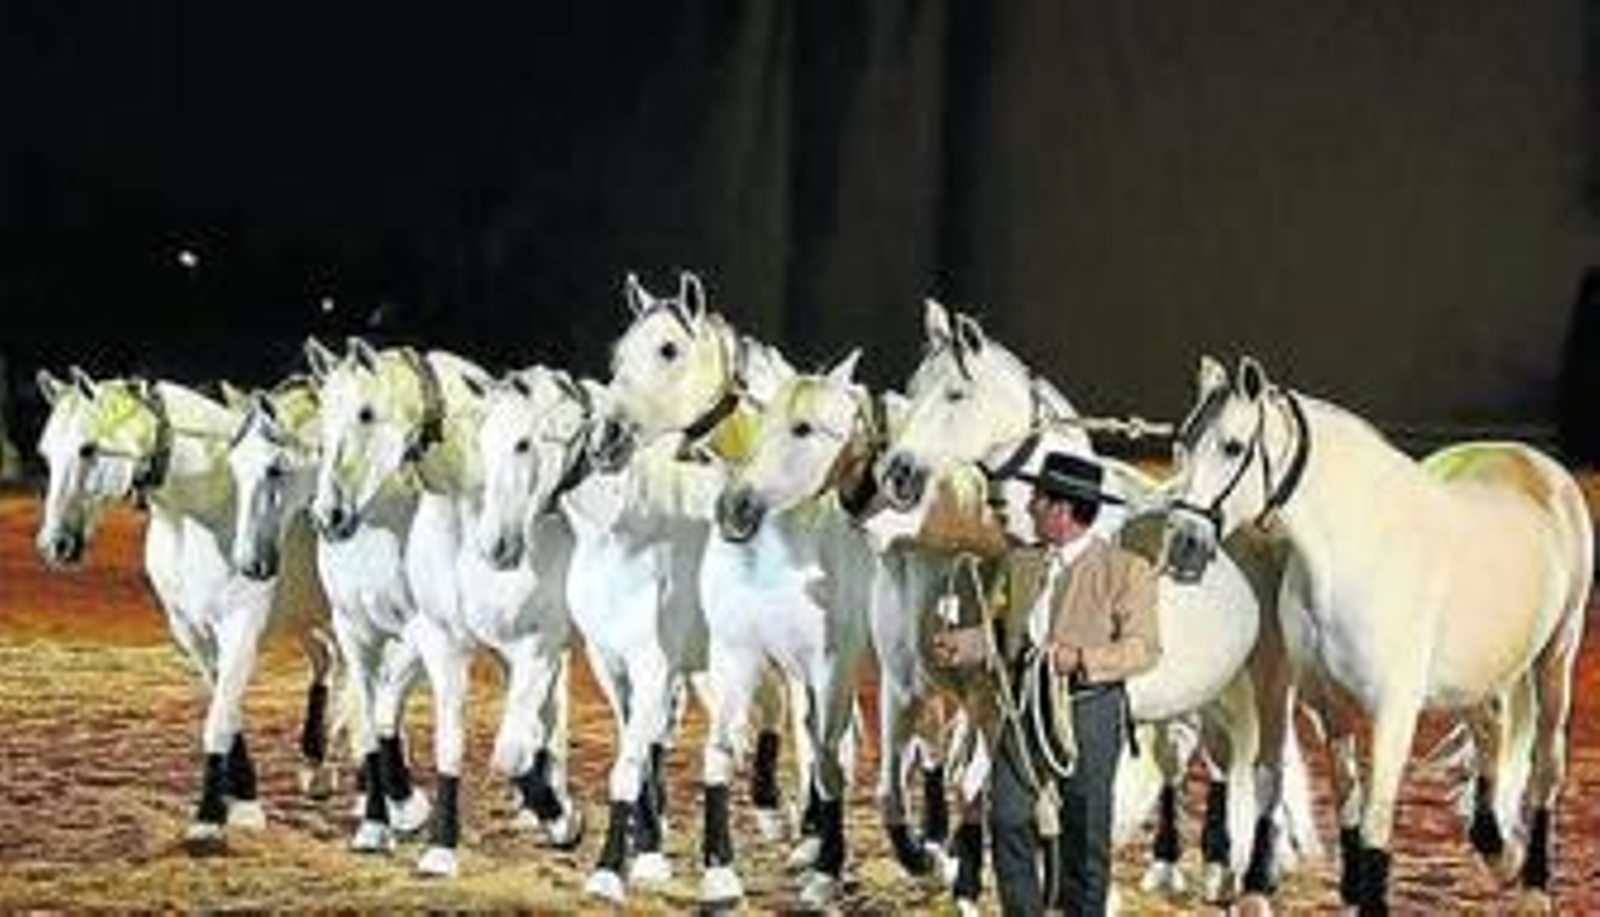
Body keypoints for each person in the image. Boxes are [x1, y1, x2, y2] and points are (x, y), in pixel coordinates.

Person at [932, 450, 1160, 916]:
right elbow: (1003, 637)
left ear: (1062, 510)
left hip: (1089, 709)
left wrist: (1081, 659)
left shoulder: (1126, 570)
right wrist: (964, 644)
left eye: (1037, 499)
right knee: (1007, 816)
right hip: (1022, 710)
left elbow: (1144, 650)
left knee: (1084, 831)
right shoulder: (1021, 564)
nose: (1029, 506)